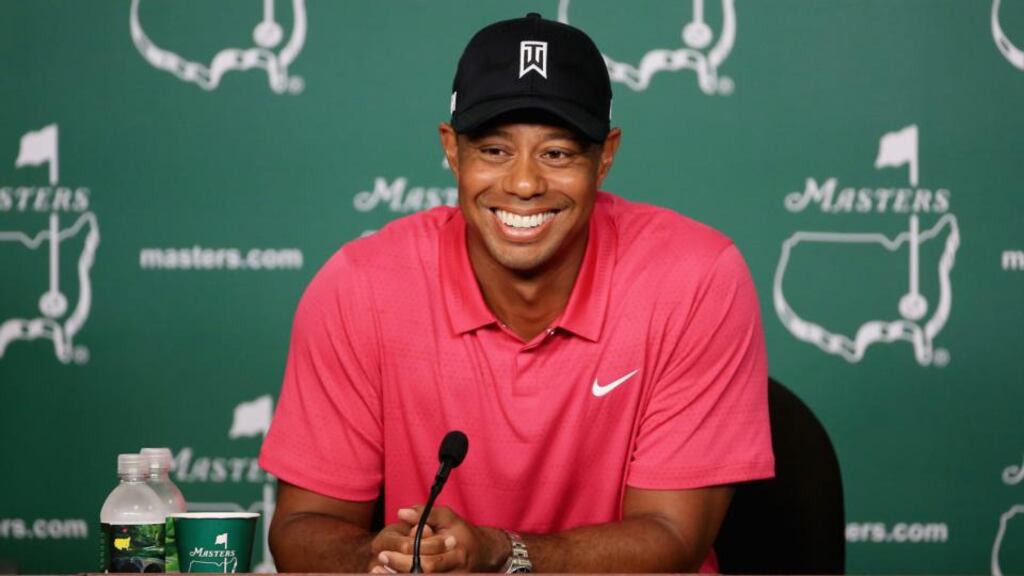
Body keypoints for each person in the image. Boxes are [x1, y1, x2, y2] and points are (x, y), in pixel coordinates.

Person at [259, 12, 773, 574]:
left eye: (556, 153)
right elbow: (300, 531)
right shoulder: (360, 286)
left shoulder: (695, 278)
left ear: (605, 157)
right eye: (495, 151)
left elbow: (674, 538)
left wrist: (501, 553)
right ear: (452, 150)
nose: (524, 184)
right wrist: (391, 559)